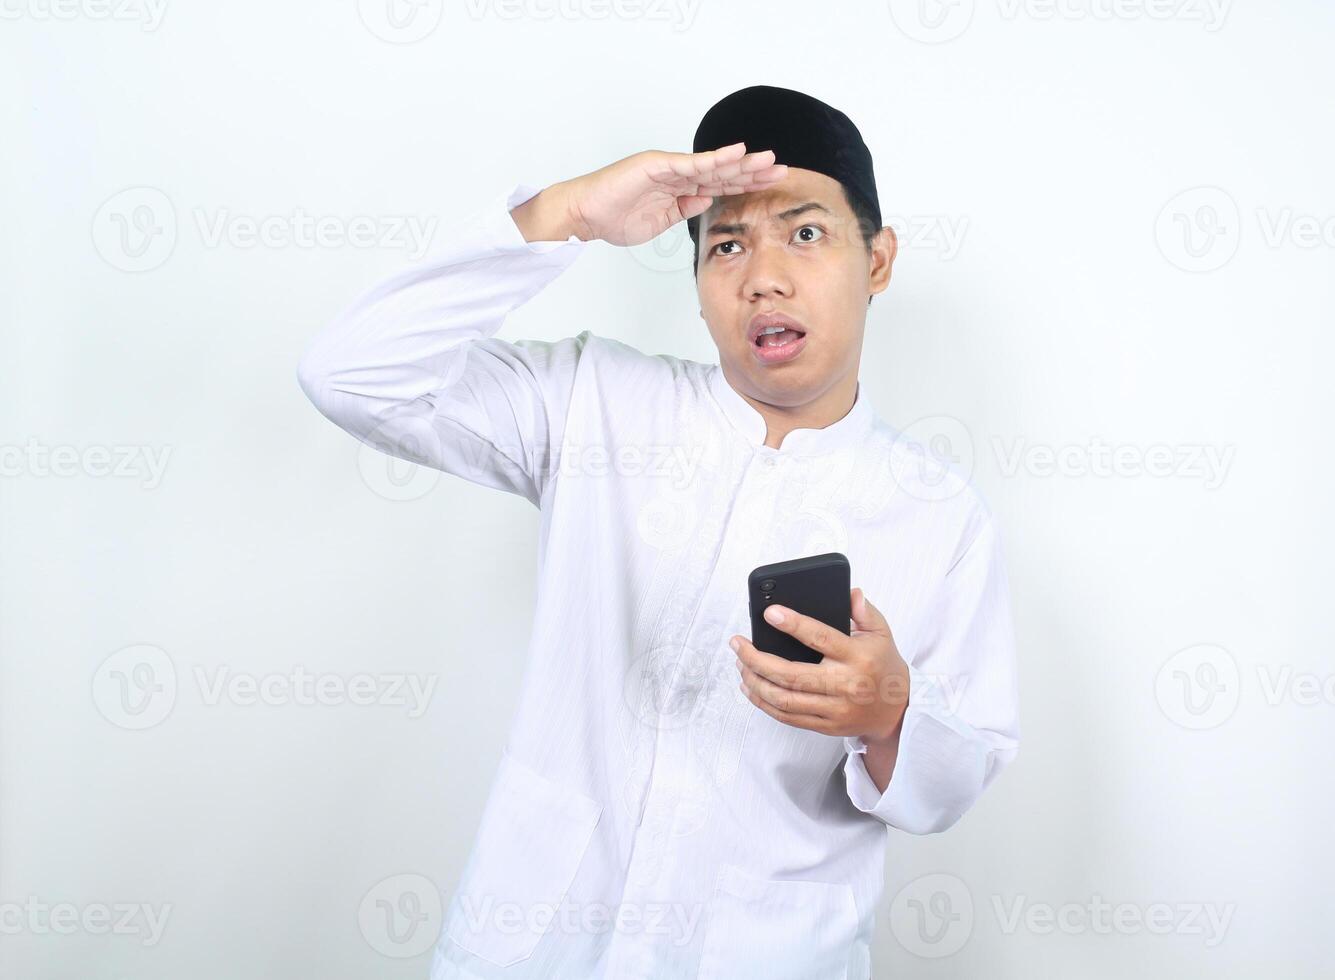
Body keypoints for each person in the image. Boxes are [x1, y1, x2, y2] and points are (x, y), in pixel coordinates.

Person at [297, 84, 1020, 980]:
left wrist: (890, 717)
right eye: (727, 242)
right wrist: (564, 213)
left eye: (804, 232)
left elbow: (961, 773)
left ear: (877, 261)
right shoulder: (597, 403)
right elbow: (351, 373)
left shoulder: (938, 514)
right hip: (536, 946)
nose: (763, 276)